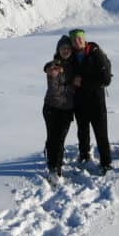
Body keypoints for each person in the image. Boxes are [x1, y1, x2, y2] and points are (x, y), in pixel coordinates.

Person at [67, 28, 113, 173]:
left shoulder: (95, 53)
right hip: (79, 102)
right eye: (74, 39)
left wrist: (83, 82)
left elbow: (105, 79)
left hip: (96, 101)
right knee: (82, 131)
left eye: (79, 38)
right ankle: (84, 154)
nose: (77, 41)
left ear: (84, 39)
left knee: (101, 133)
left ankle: (106, 162)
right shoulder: (71, 56)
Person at [42, 35, 75, 179]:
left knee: (60, 138)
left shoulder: (75, 65)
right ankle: (53, 165)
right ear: (58, 50)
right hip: (51, 107)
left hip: (67, 109)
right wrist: (51, 71)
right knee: (52, 137)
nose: (65, 51)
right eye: (63, 49)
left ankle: (58, 165)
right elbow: (49, 71)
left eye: (68, 48)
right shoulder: (54, 66)